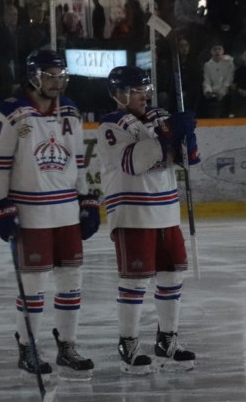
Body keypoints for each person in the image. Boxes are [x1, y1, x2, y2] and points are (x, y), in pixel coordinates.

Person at [0, 50, 96, 379]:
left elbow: (78, 161)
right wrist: (0, 209)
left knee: (71, 282)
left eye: (61, 76)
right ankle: (27, 347)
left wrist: (87, 199)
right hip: (31, 213)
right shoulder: (11, 114)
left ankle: (68, 345)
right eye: (49, 76)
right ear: (33, 76)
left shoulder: (71, 111)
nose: (56, 82)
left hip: (66, 212)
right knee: (33, 286)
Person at [96, 66, 199, 374]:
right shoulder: (111, 125)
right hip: (132, 213)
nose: (143, 96)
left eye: (145, 90)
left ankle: (167, 340)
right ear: (120, 94)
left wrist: (186, 135)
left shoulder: (160, 117)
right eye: (136, 91)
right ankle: (128, 343)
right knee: (135, 281)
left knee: (171, 276)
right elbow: (134, 163)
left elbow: (188, 159)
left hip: (166, 211)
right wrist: (168, 135)